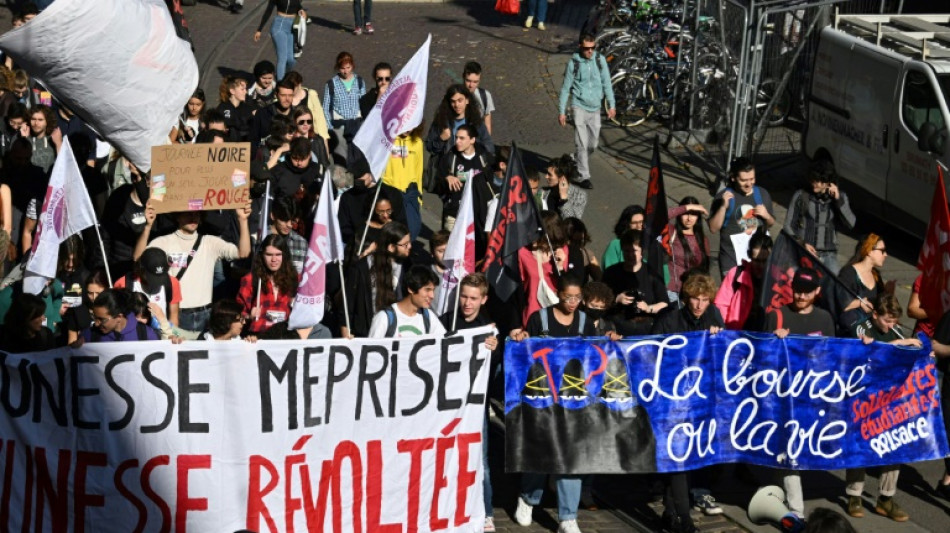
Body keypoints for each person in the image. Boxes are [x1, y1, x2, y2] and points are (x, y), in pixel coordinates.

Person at [509, 273, 595, 533]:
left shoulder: (585, 321)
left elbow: (595, 353)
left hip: (573, 398)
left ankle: (568, 516)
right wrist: (521, 337)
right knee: (540, 450)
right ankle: (528, 498)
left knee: (571, 457)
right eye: (568, 297)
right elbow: (526, 353)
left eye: (577, 297)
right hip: (543, 398)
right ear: (558, 295)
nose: (573, 302)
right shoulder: (540, 318)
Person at [651, 272, 724, 533]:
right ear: (686, 298)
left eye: (704, 300)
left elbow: (723, 355)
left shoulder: (714, 317)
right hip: (672, 401)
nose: (699, 305)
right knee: (678, 458)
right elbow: (652, 355)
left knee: (690, 457)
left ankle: (671, 511)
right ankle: (684, 518)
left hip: (701, 400)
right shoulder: (669, 320)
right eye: (695, 299)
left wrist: (717, 338)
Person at [764, 266, 835, 526]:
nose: (801, 296)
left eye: (807, 291)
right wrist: (774, 340)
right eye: (797, 290)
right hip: (783, 398)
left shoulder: (825, 318)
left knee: (786, 455)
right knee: (789, 450)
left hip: (811, 397)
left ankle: (776, 499)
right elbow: (761, 358)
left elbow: (833, 355)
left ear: (817, 292)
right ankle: (796, 511)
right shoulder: (776, 316)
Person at [845, 294, 916, 521]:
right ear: (875, 315)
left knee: (893, 444)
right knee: (861, 444)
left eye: (894, 321)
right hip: (864, 397)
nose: (891, 326)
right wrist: (900, 344)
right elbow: (867, 355)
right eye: (887, 321)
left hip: (890, 398)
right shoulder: (861, 328)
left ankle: (886, 497)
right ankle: (854, 495)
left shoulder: (896, 331)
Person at [438, 272, 499, 532]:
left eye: (473, 298)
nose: (467, 303)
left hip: (474, 406)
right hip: (445, 404)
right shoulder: (444, 322)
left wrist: (494, 349)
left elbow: (493, 370)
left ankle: (486, 511)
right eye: (464, 296)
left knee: (479, 460)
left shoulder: (488, 328)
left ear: (483, 299)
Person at [135, 203, 252, 333]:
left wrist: (243, 220)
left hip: (206, 314)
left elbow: (243, 253)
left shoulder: (210, 242)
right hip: (177, 314)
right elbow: (138, 258)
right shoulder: (164, 242)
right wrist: (148, 227)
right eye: (188, 214)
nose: (193, 217)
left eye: (197, 214)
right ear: (177, 216)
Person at [558, 34, 615, 190]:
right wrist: (562, 111)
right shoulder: (574, 63)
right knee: (582, 144)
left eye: (592, 48)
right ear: (580, 47)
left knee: (593, 144)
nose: (590, 51)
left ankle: (574, 159)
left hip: (595, 107)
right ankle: (584, 176)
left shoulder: (600, 60)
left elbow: (607, 83)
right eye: (586, 48)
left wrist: (611, 105)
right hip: (579, 107)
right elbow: (565, 88)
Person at [783, 160, 856, 273]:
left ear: (828, 182)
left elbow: (851, 223)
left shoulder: (840, 197)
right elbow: (788, 225)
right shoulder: (801, 195)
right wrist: (802, 243)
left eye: (818, 180)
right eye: (813, 179)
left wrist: (838, 200)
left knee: (835, 281)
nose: (814, 183)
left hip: (829, 254)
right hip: (805, 252)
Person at [342, 221, 413, 338]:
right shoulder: (362, 268)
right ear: (391, 247)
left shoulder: (408, 266)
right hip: (367, 333)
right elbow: (347, 305)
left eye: (409, 242)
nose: (409, 247)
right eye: (405, 244)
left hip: (396, 332)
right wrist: (347, 335)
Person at [709, 157, 775, 277]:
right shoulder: (723, 197)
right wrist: (723, 207)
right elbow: (713, 228)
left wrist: (766, 216)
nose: (749, 184)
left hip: (757, 261)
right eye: (744, 180)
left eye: (752, 179)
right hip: (732, 261)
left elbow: (770, 223)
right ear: (733, 178)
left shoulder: (762, 194)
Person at [601, 229, 669, 336]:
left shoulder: (652, 274)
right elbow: (599, 302)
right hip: (617, 328)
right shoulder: (611, 273)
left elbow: (664, 303)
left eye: (634, 251)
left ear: (642, 252)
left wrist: (648, 308)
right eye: (627, 251)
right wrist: (616, 299)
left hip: (646, 327)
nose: (630, 255)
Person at [238, 234, 298, 335]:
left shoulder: (293, 278)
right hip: (258, 336)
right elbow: (238, 315)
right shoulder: (250, 279)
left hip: (284, 336)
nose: (274, 259)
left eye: (278, 254)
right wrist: (249, 316)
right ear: (262, 255)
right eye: (269, 255)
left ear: (284, 255)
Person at [437, 124, 493, 231]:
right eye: (456, 137)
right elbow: (437, 180)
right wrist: (446, 177)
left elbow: (493, 180)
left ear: (472, 140)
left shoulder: (484, 157)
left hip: (478, 214)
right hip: (454, 213)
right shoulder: (450, 157)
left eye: (462, 138)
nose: (457, 141)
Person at [836, 233, 892, 336]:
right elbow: (839, 303)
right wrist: (860, 303)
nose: (885, 255)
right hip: (850, 330)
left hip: (870, 329)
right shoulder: (849, 273)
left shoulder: (876, 276)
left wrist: (889, 293)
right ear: (869, 251)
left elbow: (880, 305)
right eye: (882, 251)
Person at [426, 85, 494, 170]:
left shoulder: (476, 122)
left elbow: (489, 146)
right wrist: (441, 139)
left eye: (460, 100)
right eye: (453, 101)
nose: (457, 105)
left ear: (467, 100)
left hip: (471, 169)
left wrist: (473, 146)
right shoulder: (441, 121)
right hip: (447, 170)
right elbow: (430, 148)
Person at [715, 231, 772, 331]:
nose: (761, 266)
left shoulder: (777, 277)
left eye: (765, 261)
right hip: (737, 333)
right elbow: (721, 305)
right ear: (750, 257)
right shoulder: (736, 274)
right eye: (757, 260)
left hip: (766, 334)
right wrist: (723, 330)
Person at [518, 212, 568, 327]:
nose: (529, 233)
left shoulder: (563, 251)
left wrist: (560, 267)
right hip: (532, 315)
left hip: (557, 315)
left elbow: (569, 287)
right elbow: (518, 289)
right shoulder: (523, 253)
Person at [368, 265, 446, 338]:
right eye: (427, 290)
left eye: (433, 290)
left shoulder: (428, 317)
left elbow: (445, 342)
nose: (432, 296)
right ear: (411, 289)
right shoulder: (384, 317)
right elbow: (371, 346)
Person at [113, 247, 182, 327]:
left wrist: (170, 332)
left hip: (162, 331)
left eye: (160, 277)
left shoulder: (172, 283)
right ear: (141, 269)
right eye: (152, 277)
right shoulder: (123, 284)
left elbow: (174, 317)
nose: (156, 282)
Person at [322, 52, 366, 165]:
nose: (346, 71)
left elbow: (364, 104)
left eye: (348, 67)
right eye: (342, 68)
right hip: (339, 126)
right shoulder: (331, 84)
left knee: (357, 157)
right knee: (341, 158)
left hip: (356, 124)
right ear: (338, 67)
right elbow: (325, 108)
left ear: (352, 66)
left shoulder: (359, 81)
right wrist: (330, 128)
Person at [665, 198, 710, 303]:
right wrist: (688, 207)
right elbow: (659, 218)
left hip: (693, 294)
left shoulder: (703, 239)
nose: (689, 218)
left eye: (693, 214)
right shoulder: (671, 231)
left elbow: (705, 270)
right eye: (685, 214)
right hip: (673, 291)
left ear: (698, 217)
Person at [253, 0, 307, 82]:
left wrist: (301, 10)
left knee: (291, 60)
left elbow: (297, 5)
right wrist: (259, 29)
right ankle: (281, 83)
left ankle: (284, 77)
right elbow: (268, 11)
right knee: (283, 58)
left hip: (292, 27)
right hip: (279, 26)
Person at [85, 289, 160, 343]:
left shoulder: (146, 335)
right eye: (94, 317)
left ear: (119, 317)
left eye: (102, 320)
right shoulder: (88, 336)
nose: (96, 324)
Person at [62, 269, 108, 345]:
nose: (94, 297)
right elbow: (71, 342)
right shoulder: (78, 311)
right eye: (90, 293)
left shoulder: (113, 311)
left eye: (98, 293)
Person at [249, 78, 295, 150]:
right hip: (267, 153)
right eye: (283, 95)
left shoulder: (298, 114)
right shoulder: (262, 114)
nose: (287, 99)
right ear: (276, 95)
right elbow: (253, 140)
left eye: (290, 95)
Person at [541, 154, 587, 219]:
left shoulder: (579, 195)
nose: (546, 176)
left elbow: (573, 222)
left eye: (550, 175)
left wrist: (564, 199)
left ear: (562, 178)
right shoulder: (543, 192)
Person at [270, 196, 307, 273]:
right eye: (284, 220)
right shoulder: (260, 238)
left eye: (292, 220)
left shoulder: (301, 243)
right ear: (273, 216)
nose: (289, 225)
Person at [216, 76, 254, 142]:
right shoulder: (224, 107)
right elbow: (229, 123)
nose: (245, 92)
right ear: (232, 91)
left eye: (246, 89)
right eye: (242, 89)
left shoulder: (247, 107)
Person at [563, 217, 601, 284]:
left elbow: (600, 279)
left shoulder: (587, 255)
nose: (578, 245)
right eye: (574, 242)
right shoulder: (557, 254)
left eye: (581, 241)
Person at [463, 61, 495, 135]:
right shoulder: (455, 96)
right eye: (468, 81)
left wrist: (488, 140)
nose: (471, 85)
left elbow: (487, 123)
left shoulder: (485, 96)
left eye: (475, 82)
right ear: (463, 77)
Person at [28, 104, 59, 173]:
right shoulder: (23, 137)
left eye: (40, 120)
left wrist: (58, 144)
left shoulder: (53, 139)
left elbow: (62, 164)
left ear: (47, 121)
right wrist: (25, 139)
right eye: (33, 119)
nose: (36, 123)